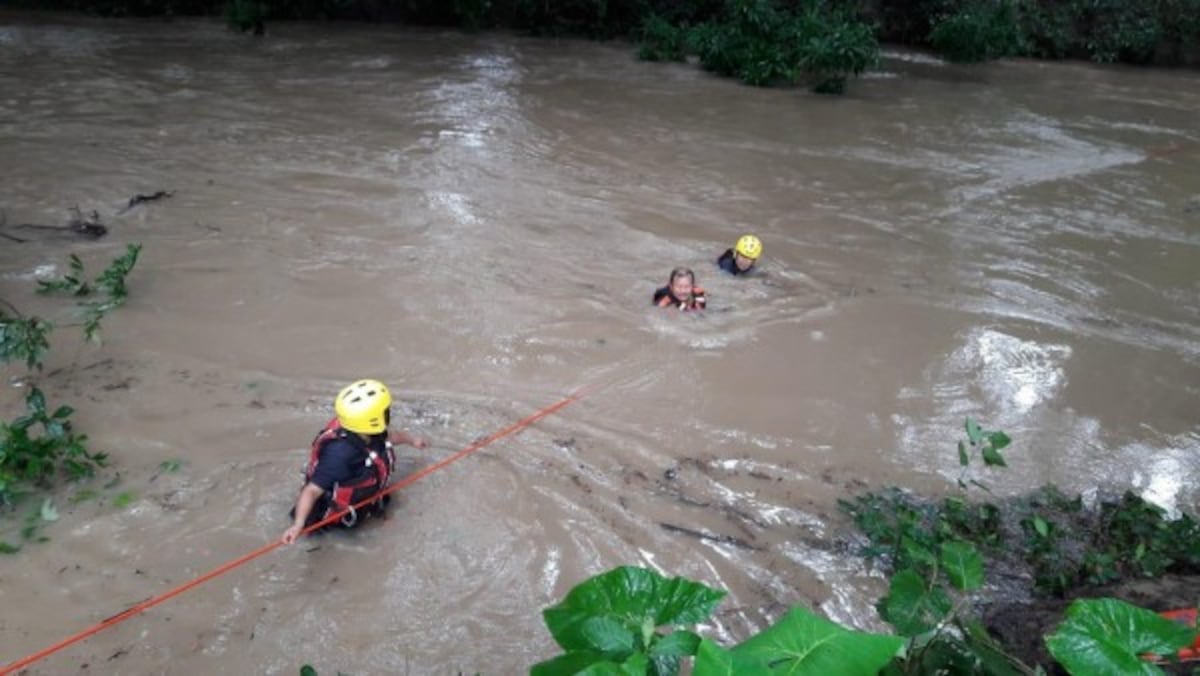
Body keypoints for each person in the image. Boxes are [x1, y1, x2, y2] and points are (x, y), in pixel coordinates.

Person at [281, 379, 427, 545]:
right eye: (385, 411)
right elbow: (312, 491)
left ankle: (379, 514)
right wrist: (298, 525)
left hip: (364, 497)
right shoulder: (339, 455)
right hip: (331, 519)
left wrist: (413, 440)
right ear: (372, 419)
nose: (388, 413)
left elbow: (391, 437)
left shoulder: (367, 431)